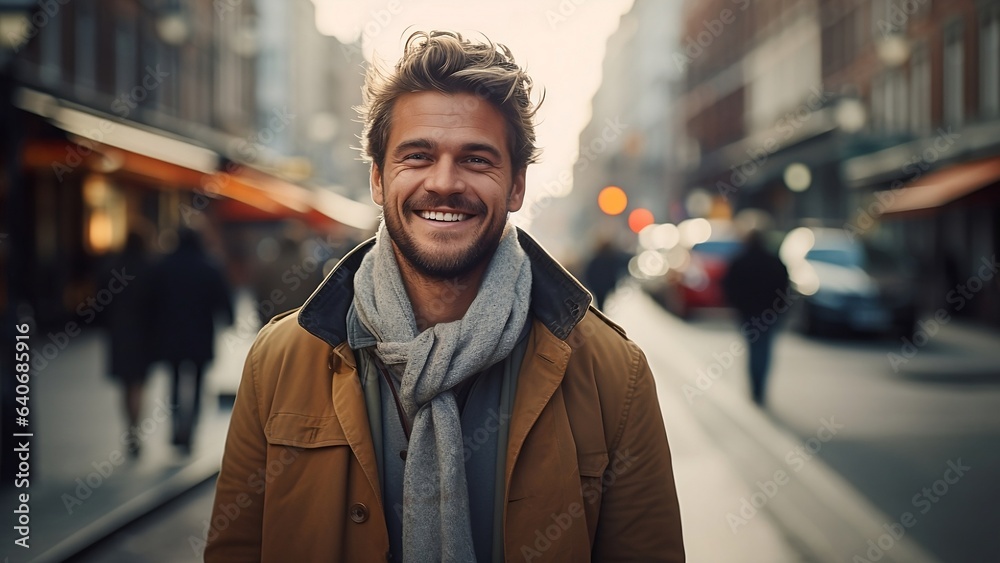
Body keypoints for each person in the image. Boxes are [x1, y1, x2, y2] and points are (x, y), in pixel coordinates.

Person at [206, 31, 684, 562]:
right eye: (417, 155)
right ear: (378, 179)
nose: (445, 182)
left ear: (518, 185)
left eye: (477, 160)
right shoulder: (278, 362)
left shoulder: (613, 374)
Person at [153, 228, 233, 452]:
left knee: (175, 381)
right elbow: (222, 298)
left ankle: (176, 427)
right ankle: (191, 430)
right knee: (198, 383)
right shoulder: (208, 265)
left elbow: (153, 300)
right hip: (200, 333)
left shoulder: (165, 266)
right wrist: (229, 319)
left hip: (172, 334)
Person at [101, 232, 156, 457]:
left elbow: (101, 301)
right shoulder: (149, 268)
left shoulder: (113, 267)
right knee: (138, 383)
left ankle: (130, 427)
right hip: (143, 334)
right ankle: (134, 429)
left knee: (126, 383)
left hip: (119, 332)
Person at [721, 230, 790, 407]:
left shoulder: (740, 261)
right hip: (769, 313)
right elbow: (784, 286)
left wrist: (737, 305)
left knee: (753, 350)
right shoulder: (774, 261)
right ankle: (760, 389)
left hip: (748, 312)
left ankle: (755, 388)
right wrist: (779, 308)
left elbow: (729, 285)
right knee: (764, 351)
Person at [583, 237, 630, 310]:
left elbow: (590, 270)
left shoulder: (598, 258)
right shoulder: (612, 259)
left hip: (596, 285)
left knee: (596, 302)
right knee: (600, 304)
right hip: (603, 287)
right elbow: (614, 273)